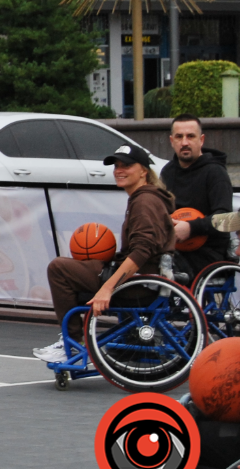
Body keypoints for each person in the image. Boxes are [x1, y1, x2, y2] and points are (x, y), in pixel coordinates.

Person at [34, 145, 174, 362]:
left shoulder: (145, 201)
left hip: (140, 283)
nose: (119, 170)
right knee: (84, 263)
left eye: (126, 165)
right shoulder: (146, 198)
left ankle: (71, 342)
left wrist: (107, 289)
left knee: (59, 268)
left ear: (143, 171)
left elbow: (142, 251)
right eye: (116, 166)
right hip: (145, 279)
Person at [160, 114, 233, 277]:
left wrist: (191, 228)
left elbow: (228, 219)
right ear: (172, 141)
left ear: (201, 140)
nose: (184, 142)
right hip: (175, 251)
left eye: (190, 136)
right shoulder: (167, 172)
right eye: (179, 137)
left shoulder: (215, 172)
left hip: (208, 255)